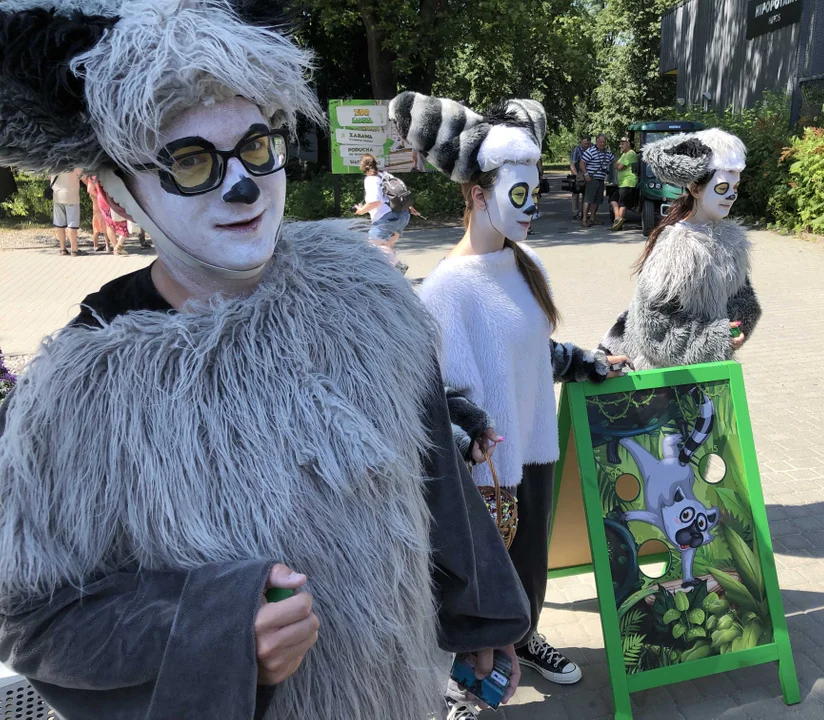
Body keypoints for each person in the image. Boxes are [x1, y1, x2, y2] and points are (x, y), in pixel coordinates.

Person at [0, 3, 531, 719]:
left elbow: (431, 463)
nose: (243, 186)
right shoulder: (87, 383)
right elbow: (34, 617)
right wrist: (214, 629)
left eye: (256, 148)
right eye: (189, 161)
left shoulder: (368, 296)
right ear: (119, 189)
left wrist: (483, 614)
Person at [390, 91, 629, 720]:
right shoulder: (446, 288)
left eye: (534, 190)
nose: (529, 208)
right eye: (517, 194)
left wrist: (588, 362)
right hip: (487, 471)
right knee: (484, 585)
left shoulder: (528, 266)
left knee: (530, 575)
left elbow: (534, 351)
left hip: (536, 446)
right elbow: (433, 392)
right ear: (476, 194)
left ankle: (523, 639)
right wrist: (467, 431)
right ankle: (469, 680)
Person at [599, 128, 762, 368]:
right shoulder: (676, 249)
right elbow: (654, 331)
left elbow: (744, 300)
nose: (730, 196)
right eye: (721, 188)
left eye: (734, 189)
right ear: (695, 188)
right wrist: (715, 339)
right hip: (662, 381)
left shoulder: (732, 242)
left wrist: (735, 329)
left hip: (708, 372)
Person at [353, 152, 420, 273]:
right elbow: (399, 193)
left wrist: (361, 210)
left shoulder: (371, 180)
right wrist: (410, 207)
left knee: (374, 242)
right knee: (386, 244)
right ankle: (388, 270)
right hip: (403, 215)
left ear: (362, 167)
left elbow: (375, 202)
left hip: (388, 218)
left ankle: (398, 267)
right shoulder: (385, 175)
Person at [579, 133, 614, 228]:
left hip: (601, 179)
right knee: (588, 199)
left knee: (597, 200)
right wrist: (586, 174)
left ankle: (593, 218)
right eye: (600, 141)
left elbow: (613, 162)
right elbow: (582, 163)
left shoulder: (608, 152)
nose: (602, 143)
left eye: (604, 142)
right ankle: (584, 219)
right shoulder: (590, 151)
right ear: (597, 141)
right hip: (592, 178)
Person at [50, 168, 84, 256]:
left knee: (59, 224)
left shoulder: (54, 164)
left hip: (57, 196)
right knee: (72, 223)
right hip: (71, 196)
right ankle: (74, 249)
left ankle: (62, 249)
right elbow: (84, 177)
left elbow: (49, 177)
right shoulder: (74, 165)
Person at [610, 136, 638, 231]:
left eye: (623, 144)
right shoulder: (624, 154)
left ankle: (618, 224)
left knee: (622, 203)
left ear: (628, 144)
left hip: (628, 182)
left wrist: (619, 165)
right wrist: (618, 165)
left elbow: (619, 167)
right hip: (622, 183)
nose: (620, 145)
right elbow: (616, 165)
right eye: (620, 144)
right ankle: (618, 219)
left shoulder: (630, 154)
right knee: (613, 199)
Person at [81, 173, 107, 251]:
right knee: (104, 221)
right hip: (98, 200)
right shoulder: (95, 176)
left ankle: (97, 245)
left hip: (97, 200)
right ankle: (106, 244)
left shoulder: (90, 176)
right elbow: (90, 190)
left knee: (98, 222)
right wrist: (100, 196)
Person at [568, 134, 590, 220]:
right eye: (585, 143)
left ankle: (584, 213)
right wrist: (576, 175)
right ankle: (575, 213)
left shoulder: (591, 149)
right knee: (576, 194)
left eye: (588, 143)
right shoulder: (576, 150)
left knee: (586, 194)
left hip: (588, 173)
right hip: (578, 174)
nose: (586, 145)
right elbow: (572, 164)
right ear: (581, 142)